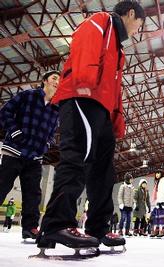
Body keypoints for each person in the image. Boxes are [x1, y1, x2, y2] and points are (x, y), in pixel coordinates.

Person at [37, 1, 146, 251]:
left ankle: (98, 228)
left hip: (101, 108)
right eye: (139, 25)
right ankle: (56, 225)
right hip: (81, 96)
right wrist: (85, 81)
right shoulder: (100, 22)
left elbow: (115, 88)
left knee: (103, 172)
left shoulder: (118, 50)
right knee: (77, 158)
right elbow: (84, 44)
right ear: (131, 14)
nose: (137, 31)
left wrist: (116, 118)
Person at [0, 70, 60, 240]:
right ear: (44, 81)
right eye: (54, 78)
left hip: (35, 157)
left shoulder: (56, 108)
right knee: (2, 185)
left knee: (33, 193)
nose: (57, 82)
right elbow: (4, 113)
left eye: (60, 80)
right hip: (14, 151)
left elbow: (52, 132)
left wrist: (47, 144)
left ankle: (30, 228)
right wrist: (14, 131)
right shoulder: (28, 95)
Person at [151, 170, 164, 238]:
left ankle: (163, 230)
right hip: (158, 201)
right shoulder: (158, 182)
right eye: (156, 173)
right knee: (157, 217)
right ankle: (157, 230)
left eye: (158, 173)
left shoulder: (163, 181)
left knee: (161, 217)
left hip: (161, 201)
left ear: (162, 174)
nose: (157, 174)